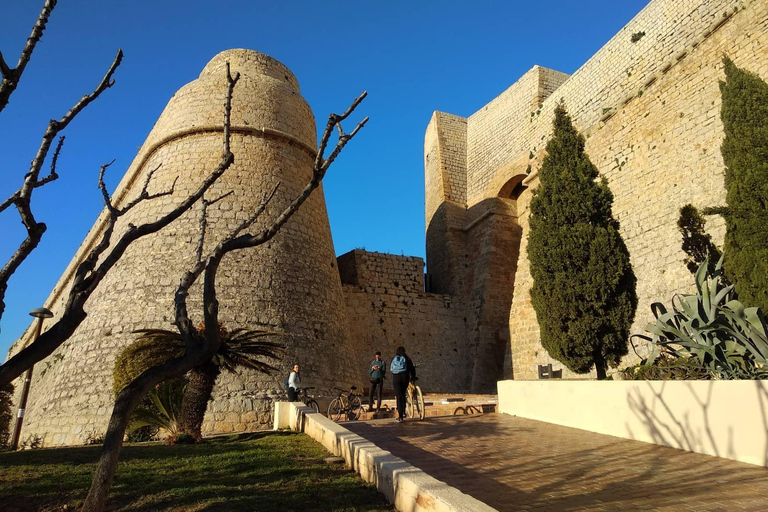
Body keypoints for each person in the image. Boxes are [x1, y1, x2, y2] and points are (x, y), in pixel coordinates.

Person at [390, 346, 416, 423]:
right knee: (403, 394)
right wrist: (413, 376)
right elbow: (412, 369)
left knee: (399, 396)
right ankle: (404, 412)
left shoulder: (394, 358)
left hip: (396, 378)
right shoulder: (407, 358)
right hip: (405, 377)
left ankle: (400, 416)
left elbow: (391, 369)